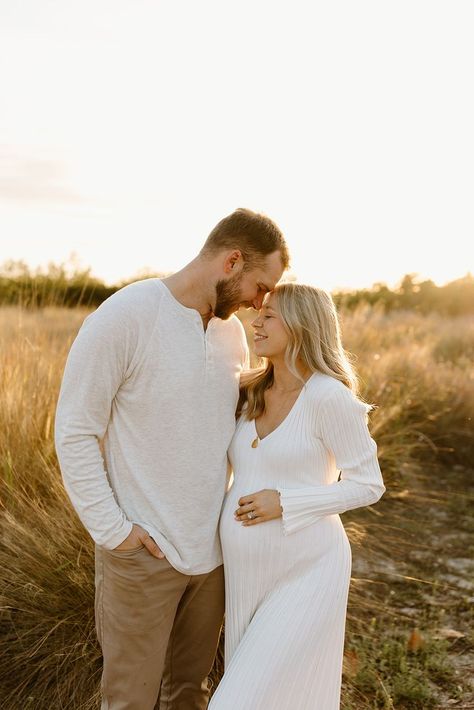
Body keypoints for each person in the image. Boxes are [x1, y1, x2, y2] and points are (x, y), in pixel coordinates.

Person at [54, 207, 289, 710]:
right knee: (130, 701)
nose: (260, 303)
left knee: (189, 694)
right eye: (261, 286)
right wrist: (114, 532)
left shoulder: (230, 335)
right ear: (232, 262)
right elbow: (75, 432)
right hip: (143, 554)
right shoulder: (125, 316)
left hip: (213, 555)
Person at [209, 283, 386, 710]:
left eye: (270, 315)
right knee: (268, 695)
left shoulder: (329, 397)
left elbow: (368, 484)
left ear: (303, 325)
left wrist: (286, 501)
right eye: (260, 313)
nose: (257, 322)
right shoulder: (249, 391)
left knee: (236, 701)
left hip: (308, 566)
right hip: (245, 570)